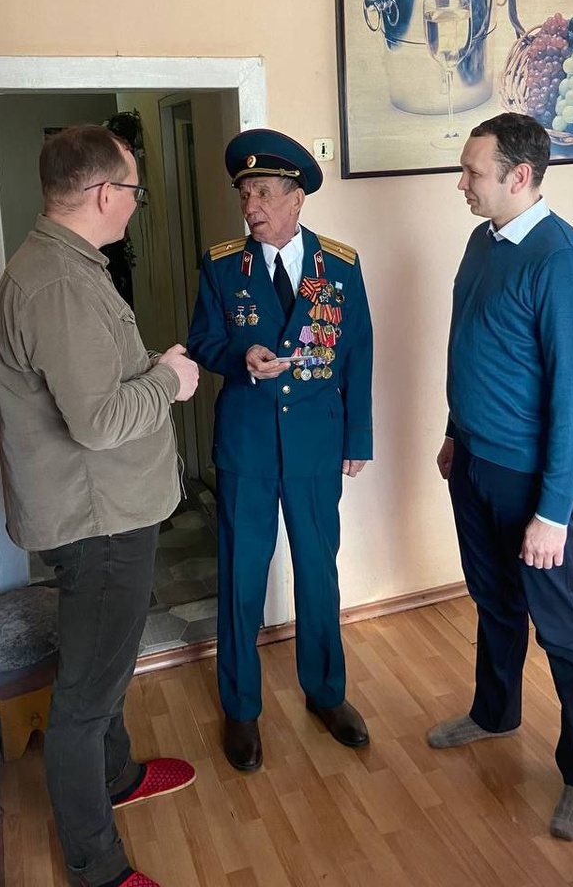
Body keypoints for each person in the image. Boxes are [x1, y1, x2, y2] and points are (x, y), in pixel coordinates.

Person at [0, 125, 200, 887]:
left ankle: (118, 775)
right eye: (134, 190)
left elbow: (98, 381)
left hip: (105, 510)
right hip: (98, 522)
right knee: (83, 697)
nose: (137, 204)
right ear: (106, 193)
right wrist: (170, 382)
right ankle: (96, 866)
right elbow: (100, 420)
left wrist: (151, 364)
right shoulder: (57, 285)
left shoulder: (69, 265)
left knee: (105, 666)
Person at [429, 112, 573, 842]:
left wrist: (554, 512)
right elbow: (471, 343)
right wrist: (454, 432)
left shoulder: (561, 263)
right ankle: (495, 712)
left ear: (520, 176)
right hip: (475, 461)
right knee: (494, 601)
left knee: (562, 628)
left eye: (473, 172)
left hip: (533, 482)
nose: (462, 184)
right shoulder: (485, 240)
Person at [188, 128, 373, 772]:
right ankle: (241, 708)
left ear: (297, 197)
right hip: (247, 447)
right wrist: (241, 356)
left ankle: (327, 693)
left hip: (317, 444)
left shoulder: (340, 266)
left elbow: (358, 352)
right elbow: (202, 341)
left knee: (318, 571)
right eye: (245, 193)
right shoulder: (221, 266)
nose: (252, 206)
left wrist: (358, 437)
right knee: (242, 576)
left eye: (264, 192)